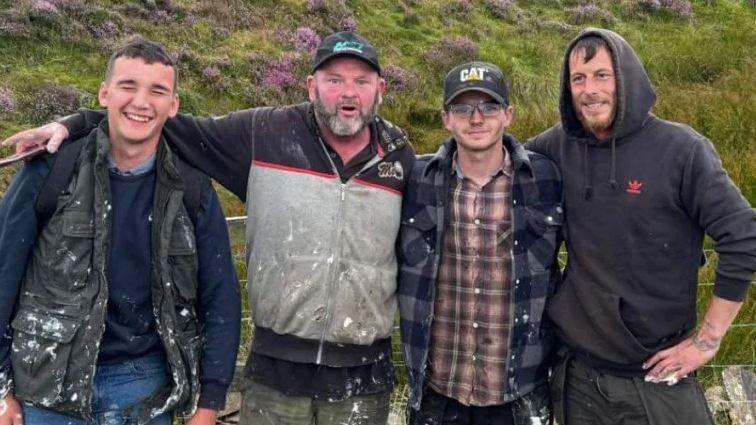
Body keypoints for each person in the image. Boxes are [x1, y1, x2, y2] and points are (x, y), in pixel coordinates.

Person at [3, 31, 416, 424]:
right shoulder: (263, 134)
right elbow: (144, 116)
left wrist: (209, 399)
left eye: (362, 81)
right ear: (311, 86)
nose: (348, 92)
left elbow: (218, 290)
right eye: (334, 79)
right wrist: (75, 123)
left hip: (364, 377)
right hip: (271, 376)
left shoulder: (403, 160)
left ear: (381, 88)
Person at [0, 37, 241, 425]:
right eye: (128, 86)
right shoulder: (49, 171)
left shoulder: (193, 187)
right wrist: (1, 390)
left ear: (174, 105)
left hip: (145, 388)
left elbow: (221, 298)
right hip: (45, 388)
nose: (141, 102)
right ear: (104, 93)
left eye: (157, 90)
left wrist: (209, 403)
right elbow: (2, 272)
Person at [526, 27, 756, 425]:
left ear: (627, 78)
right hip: (579, 375)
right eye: (577, 79)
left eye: (602, 75)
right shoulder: (558, 145)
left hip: (658, 376)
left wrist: (707, 340)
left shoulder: (682, 150)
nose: (589, 90)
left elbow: (744, 236)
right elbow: (499, 159)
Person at [398, 61, 562, 425]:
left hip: (520, 395)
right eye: (462, 108)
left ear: (508, 115)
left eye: (489, 106)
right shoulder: (416, 180)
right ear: (446, 118)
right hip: (437, 395)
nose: (476, 118)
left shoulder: (546, 177)